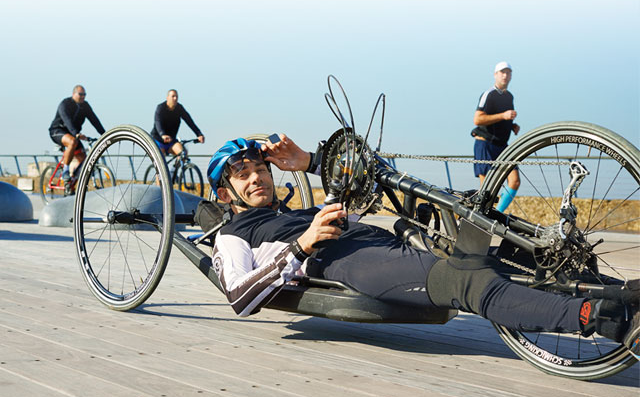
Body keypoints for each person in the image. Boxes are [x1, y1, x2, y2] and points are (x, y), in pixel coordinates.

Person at [205, 134, 640, 356]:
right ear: (226, 193)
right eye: (241, 174)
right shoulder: (234, 234)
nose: (255, 176)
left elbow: (369, 179)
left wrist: (312, 162)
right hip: (358, 265)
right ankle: (606, 321)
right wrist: (303, 243)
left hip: (392, 240)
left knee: (512, 253)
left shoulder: (297, 210)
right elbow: (240, 298)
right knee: (470, 283)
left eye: (258, 167)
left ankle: (626, 295)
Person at [472, 61, 520, 212]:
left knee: (515, 181)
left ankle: (497, 213)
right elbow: (478, 119)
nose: (505, 75)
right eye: (502, 72)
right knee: (487, 189)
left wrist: (512, 125)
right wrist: (503, 116)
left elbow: (502, 119)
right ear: (495, 75)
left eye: (508, 73)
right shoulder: (489, 94)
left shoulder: (509, 97)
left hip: (502, 145)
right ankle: (480, 217)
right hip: (485, 144)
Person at [48, 85, 106, 193]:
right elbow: (67, 120)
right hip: (58, 131)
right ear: (73, 94)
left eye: (84, 94)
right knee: (72, 142)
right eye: (80, 94)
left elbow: (94, 120)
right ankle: (65, 171)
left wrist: (104, 134)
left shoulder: (85, 106)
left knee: (84, 160)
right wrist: (76, 134)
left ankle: (71, 183)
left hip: (74, 134)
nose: (83, 97)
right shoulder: (65, 104)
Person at [150, 89, 205, 156]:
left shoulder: (179, 108)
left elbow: (189, 121)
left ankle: (177, 166)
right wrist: (163, 135)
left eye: (176, 96)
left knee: (183, 154)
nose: (175, 98)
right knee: (161, 160)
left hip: (171, 141)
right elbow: (157, 122)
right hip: (158, 140)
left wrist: (199, 134)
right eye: (173, 96)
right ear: (167, 98)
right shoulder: (160, 108)